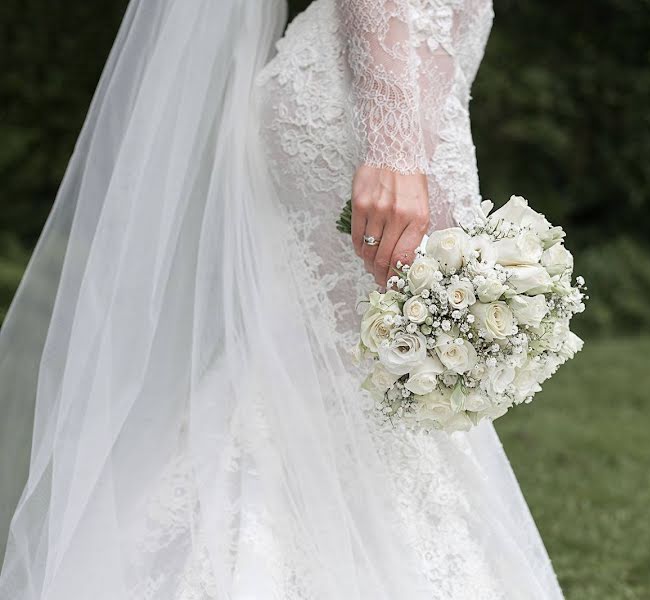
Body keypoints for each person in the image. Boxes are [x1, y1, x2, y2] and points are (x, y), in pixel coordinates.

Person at [0, 1, 565, 597]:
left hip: (385, 91)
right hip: (373, 101)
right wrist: (394, 149)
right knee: (373, 389)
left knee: (318, 383)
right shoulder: (390, 132)